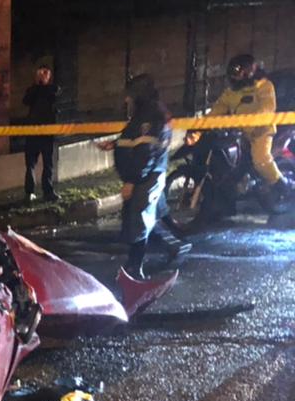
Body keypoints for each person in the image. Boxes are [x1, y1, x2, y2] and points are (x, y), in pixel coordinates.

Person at [99, 74, 190, 280]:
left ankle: (134, 268)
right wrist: (115, 144)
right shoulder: (147, 114)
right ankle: (173, 246)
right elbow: (134, 139)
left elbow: (146, 151)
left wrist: (132, 180)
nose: (126, 100)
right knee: (145, 216)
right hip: (148, 174)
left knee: (138, 220)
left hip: (144, 177)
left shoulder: (150, 117)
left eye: (129, 96)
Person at [202, 54, 291, 210]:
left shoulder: (264, 86)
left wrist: (256, 123)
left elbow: (267, 109)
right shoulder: (231, 92)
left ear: (249, 71)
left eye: (238, 72)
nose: (235, 76)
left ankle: (284, 186)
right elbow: (218, 108)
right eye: (233, 73)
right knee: (234, 167)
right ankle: (227, 205)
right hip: (242, 133)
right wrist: (201, 125)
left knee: (260, 160)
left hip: (262, 131)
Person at [23, 63, 59, 201]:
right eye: (41, 73)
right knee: (30, 163)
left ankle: (48, 191)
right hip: (33, 131)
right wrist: (37, 85)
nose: (43, 76)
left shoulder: (52, 89)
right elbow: (26, 100)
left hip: (47, 132)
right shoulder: (32, 90)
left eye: (46, 73)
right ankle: (29, 191)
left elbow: (54, 95)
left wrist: (42, 85)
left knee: (48, 163)